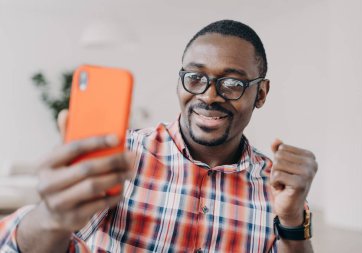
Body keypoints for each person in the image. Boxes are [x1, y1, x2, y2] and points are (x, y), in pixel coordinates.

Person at [0, 20, 317, 253]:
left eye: (232, 84)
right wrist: (50, 218)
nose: (208, 96)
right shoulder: (120, 157)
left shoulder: (276, 186)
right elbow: (14, 244)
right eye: (195, 78)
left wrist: (292, 222)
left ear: (260, 93)